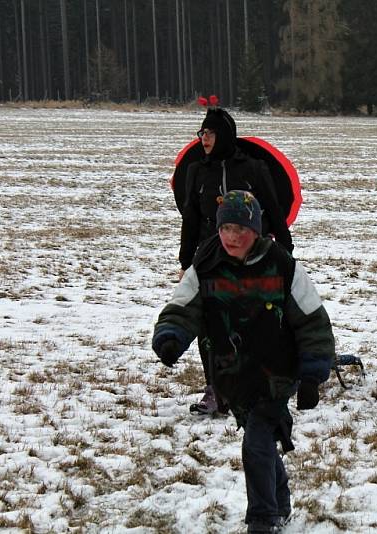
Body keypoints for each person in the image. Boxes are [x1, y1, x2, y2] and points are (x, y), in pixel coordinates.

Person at [152, 190, 335, 533]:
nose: (233, 237)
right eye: (226, 229)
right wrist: (171, 337)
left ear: (257, 230)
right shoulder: (204, 265)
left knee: (256, 439)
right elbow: (183, 307)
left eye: (241, 229)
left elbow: (312, 322)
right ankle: (280, 500)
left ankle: (264, 518)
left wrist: (312, 374)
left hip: (277, 370)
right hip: (232, 373)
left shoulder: (283, 266)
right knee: (260, 438)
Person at [179, 103, 294, 415]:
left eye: (211, 133)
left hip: (252, 256)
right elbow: (190, 217)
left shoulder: (253, 169)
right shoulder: (197, 171)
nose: (204, 138)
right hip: (210, 257)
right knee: (209, 323)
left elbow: (274, 209)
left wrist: (285, 250)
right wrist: (185, 260)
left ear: (226, 135)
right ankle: (215, 389)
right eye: (202, 132)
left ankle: (257, 381)